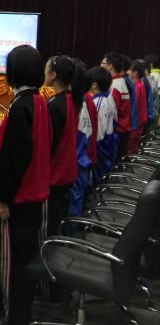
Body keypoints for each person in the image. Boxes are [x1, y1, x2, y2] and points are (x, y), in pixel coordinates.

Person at [0, 45, 51, 325]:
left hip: (20, 199)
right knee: (26, 257)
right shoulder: (39, 100)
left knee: (13, 262)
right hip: (35, 194)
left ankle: (14, 315)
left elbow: (15, 156)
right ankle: (23, 311)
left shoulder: (20, 106)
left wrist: (3, 197)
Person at [44, 55, 82, 237]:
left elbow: (48, 144)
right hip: (67, 170)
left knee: (50, 222)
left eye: (46, 69)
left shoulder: (54, 105)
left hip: (55, 174)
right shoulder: (72, 99)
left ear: (53, 75)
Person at [69, 60, 96, 218]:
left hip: (78, 162)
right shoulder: (86, 101)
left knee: (74, 200)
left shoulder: (80, 105)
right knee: (77, 198)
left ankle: (71, 229)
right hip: (83, 160)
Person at [87, 66, 118, 186]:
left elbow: (98, 132)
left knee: (98, 179)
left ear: (94, 84)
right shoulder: (108, 97)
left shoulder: (98, 102)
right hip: (109, 142)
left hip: (101, 146)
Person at [101, 53, 131, 160]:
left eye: (102, 63)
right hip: (123, 129)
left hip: (119, 130)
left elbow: (112, 111)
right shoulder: (120, 81)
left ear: (110, 66)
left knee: (115, 162)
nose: (100, 65)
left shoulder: (114, 85)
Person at [127, 59, 149, 154]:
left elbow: (133, 107)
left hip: (136, 123)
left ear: (135, 72)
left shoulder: (136, 87)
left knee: (130, 150)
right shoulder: (140, 84)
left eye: (129, 70)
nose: (127, 72)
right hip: (140, 122)